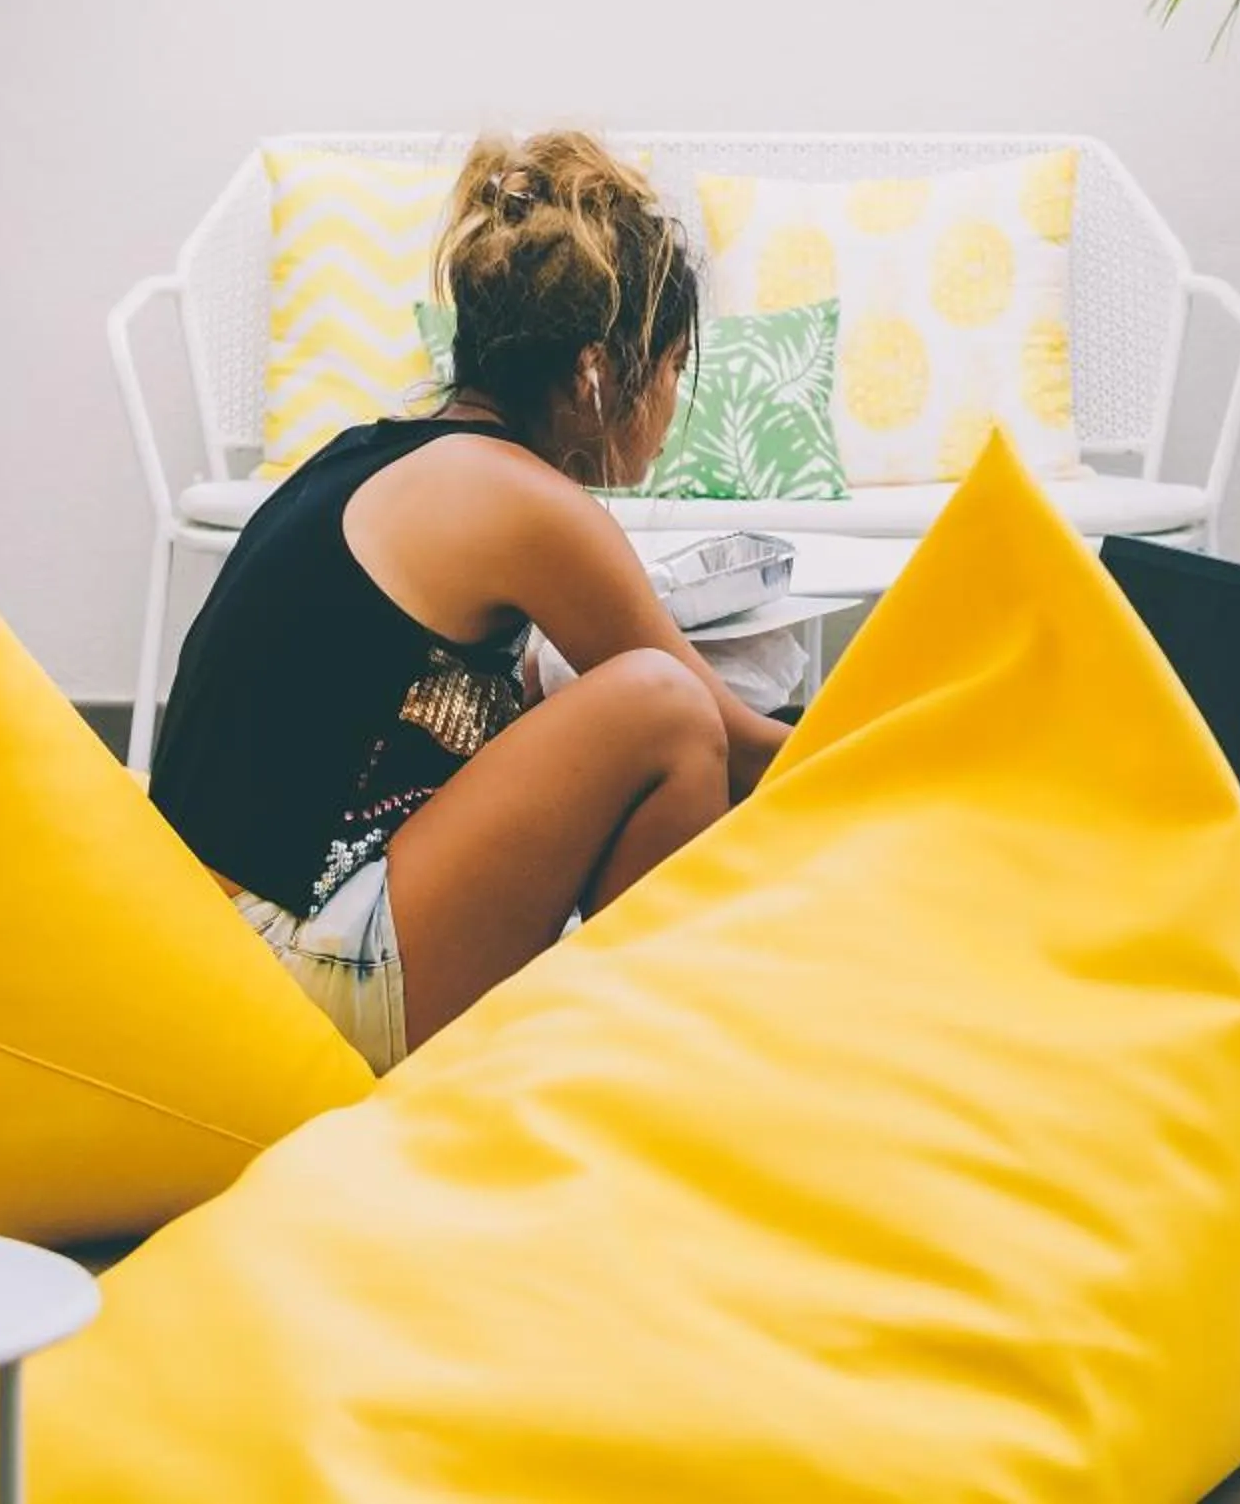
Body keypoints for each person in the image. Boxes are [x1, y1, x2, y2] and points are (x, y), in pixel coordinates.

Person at [150, 131, 790, 1074]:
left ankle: (637, 1057)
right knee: (662, 708)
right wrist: (918, 741)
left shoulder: (381, 454)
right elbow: (736, 747)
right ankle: (646, 1075)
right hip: (279, 980)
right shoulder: (523, 502)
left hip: (206, 957)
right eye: (671, 366)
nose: (667, 400)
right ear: (594, 371)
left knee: (587, 694)